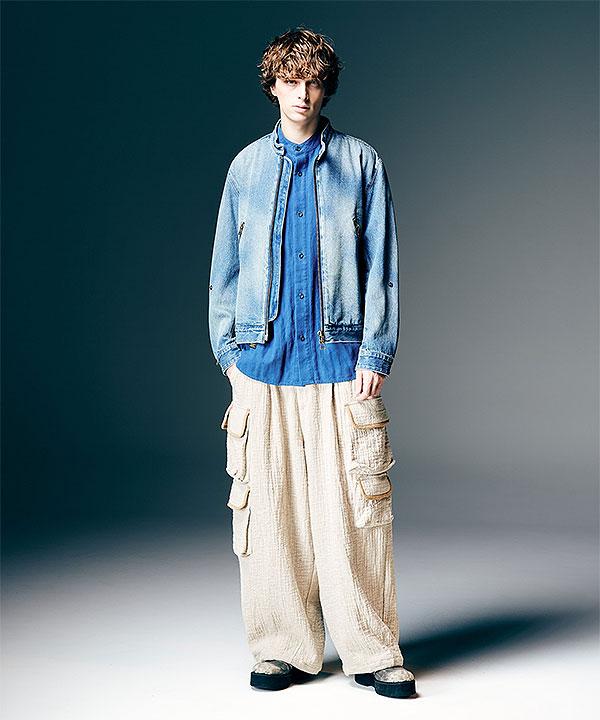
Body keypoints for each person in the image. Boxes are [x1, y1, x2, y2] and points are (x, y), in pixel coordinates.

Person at [208, 27, 416, 699]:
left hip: (341, 366)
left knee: (353, 518)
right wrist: (231, 358)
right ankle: (282, 650)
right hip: (262, 367)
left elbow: (382, 267)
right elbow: (224, 272)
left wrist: (376, 349)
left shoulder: (360, 163)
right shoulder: (245, 169)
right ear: (272, 85)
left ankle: (372, 652)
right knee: (271, 518)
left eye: (314, 81)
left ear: (326, 88)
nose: (303, 93)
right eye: (291, 80)